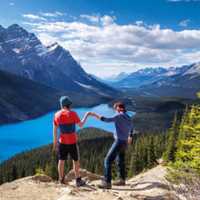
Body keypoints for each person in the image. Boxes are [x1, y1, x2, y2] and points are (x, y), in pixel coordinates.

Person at [89, 102, 134, 189]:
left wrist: (94, 115)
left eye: (115, 109)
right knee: (120, 160)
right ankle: (122, 180)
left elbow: (106, 119)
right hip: (124, 142)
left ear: (119, 108)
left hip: (119, 142)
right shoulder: (128, 117)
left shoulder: (118, 116)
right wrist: (130, 136)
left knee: (107, 160)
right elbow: (131, 128)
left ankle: (107, 182)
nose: (115, 111)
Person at [53, 96, 90, 187]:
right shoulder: (73, 113)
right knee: (76, 161)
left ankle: (61, 179)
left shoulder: (57, 114)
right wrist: (86, 115)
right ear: (69, 105)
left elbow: (55, 130)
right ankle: (78, 180)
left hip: (62, 142)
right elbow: (81, 125)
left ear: (62, 105)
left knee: (61, 161)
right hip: (72, 142)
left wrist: (55, 143)